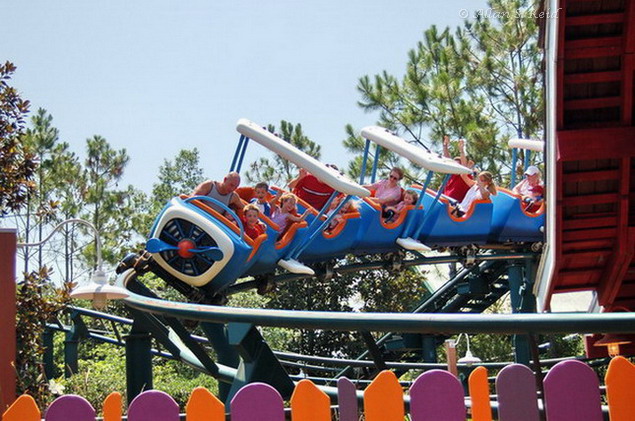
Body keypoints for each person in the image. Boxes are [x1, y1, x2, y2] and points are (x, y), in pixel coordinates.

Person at [442, 136, 475, 202]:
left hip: (455, 206)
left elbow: (464, 165)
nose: (455, 166)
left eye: (458, 164)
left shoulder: (465, 176)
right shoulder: (451, 175)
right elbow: (448, 160)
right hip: (444, 203)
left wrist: (461, 151)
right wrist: (445, 146)